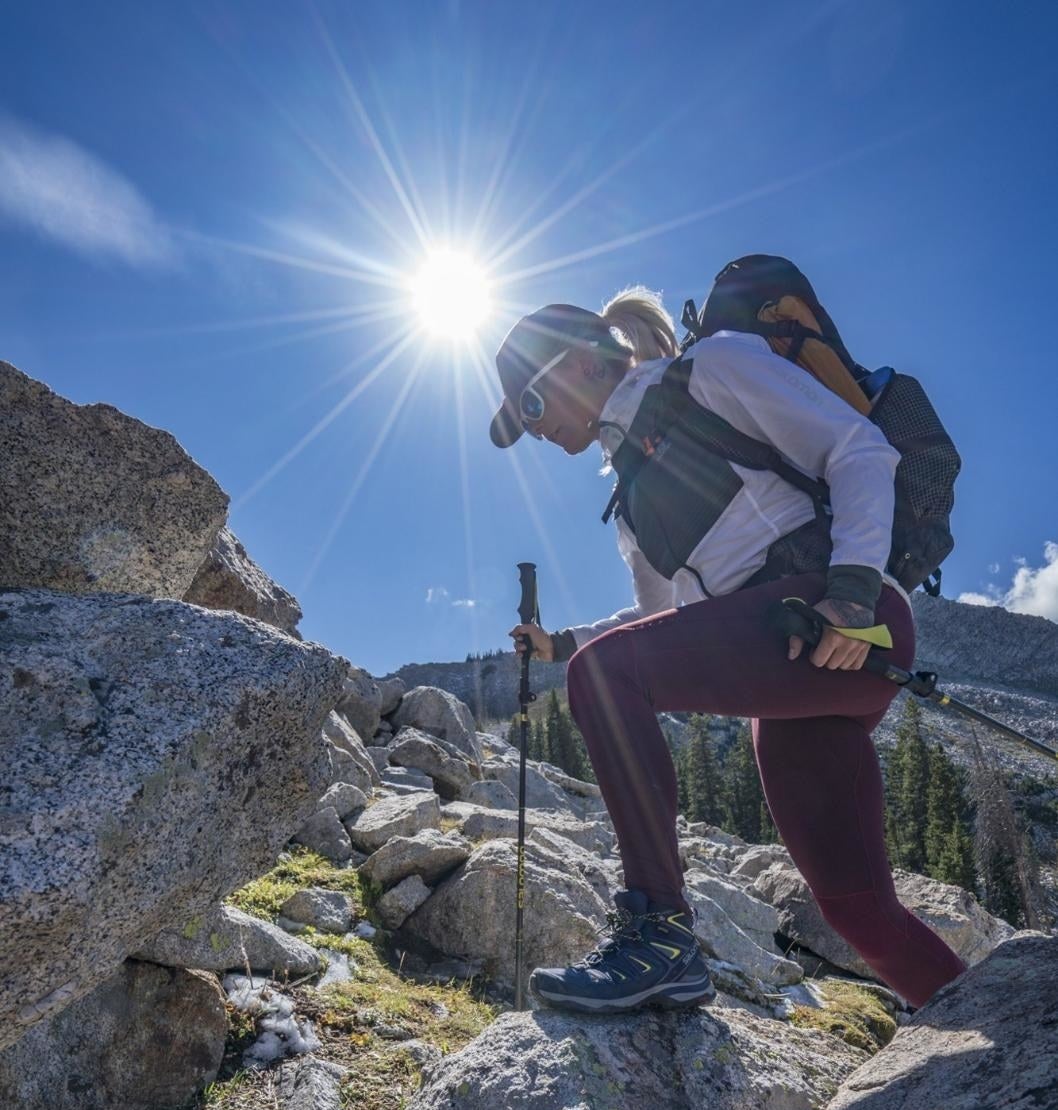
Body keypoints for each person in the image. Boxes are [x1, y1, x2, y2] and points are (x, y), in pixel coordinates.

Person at [488, 288, 969, 1016]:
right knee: (856, 909)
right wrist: (560, 645)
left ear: (582, 365)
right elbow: (656, 626)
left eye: (531, 407)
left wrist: (849, 596)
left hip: (850, 622)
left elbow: (857, 448)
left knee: (607, 674)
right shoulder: (632, 502)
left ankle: (659, 934)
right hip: (783, 676)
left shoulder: (709, 371)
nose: (538, 430)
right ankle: (994, 1026)